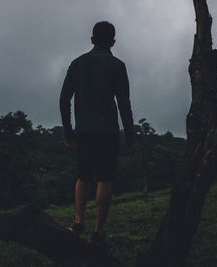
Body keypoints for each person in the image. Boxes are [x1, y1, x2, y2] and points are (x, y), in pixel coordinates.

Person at [59, 21, 135, 246]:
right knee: (105, 179)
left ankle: (78, 222)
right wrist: (130, 138)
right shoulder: (117, 65)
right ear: (113, 41)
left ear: (92, 39)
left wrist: (68, 131)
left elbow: (64, 100)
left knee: (83, 177)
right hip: (108, 131)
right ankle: (98, 231)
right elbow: (124, 104)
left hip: (83, 131)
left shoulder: (77, 63)